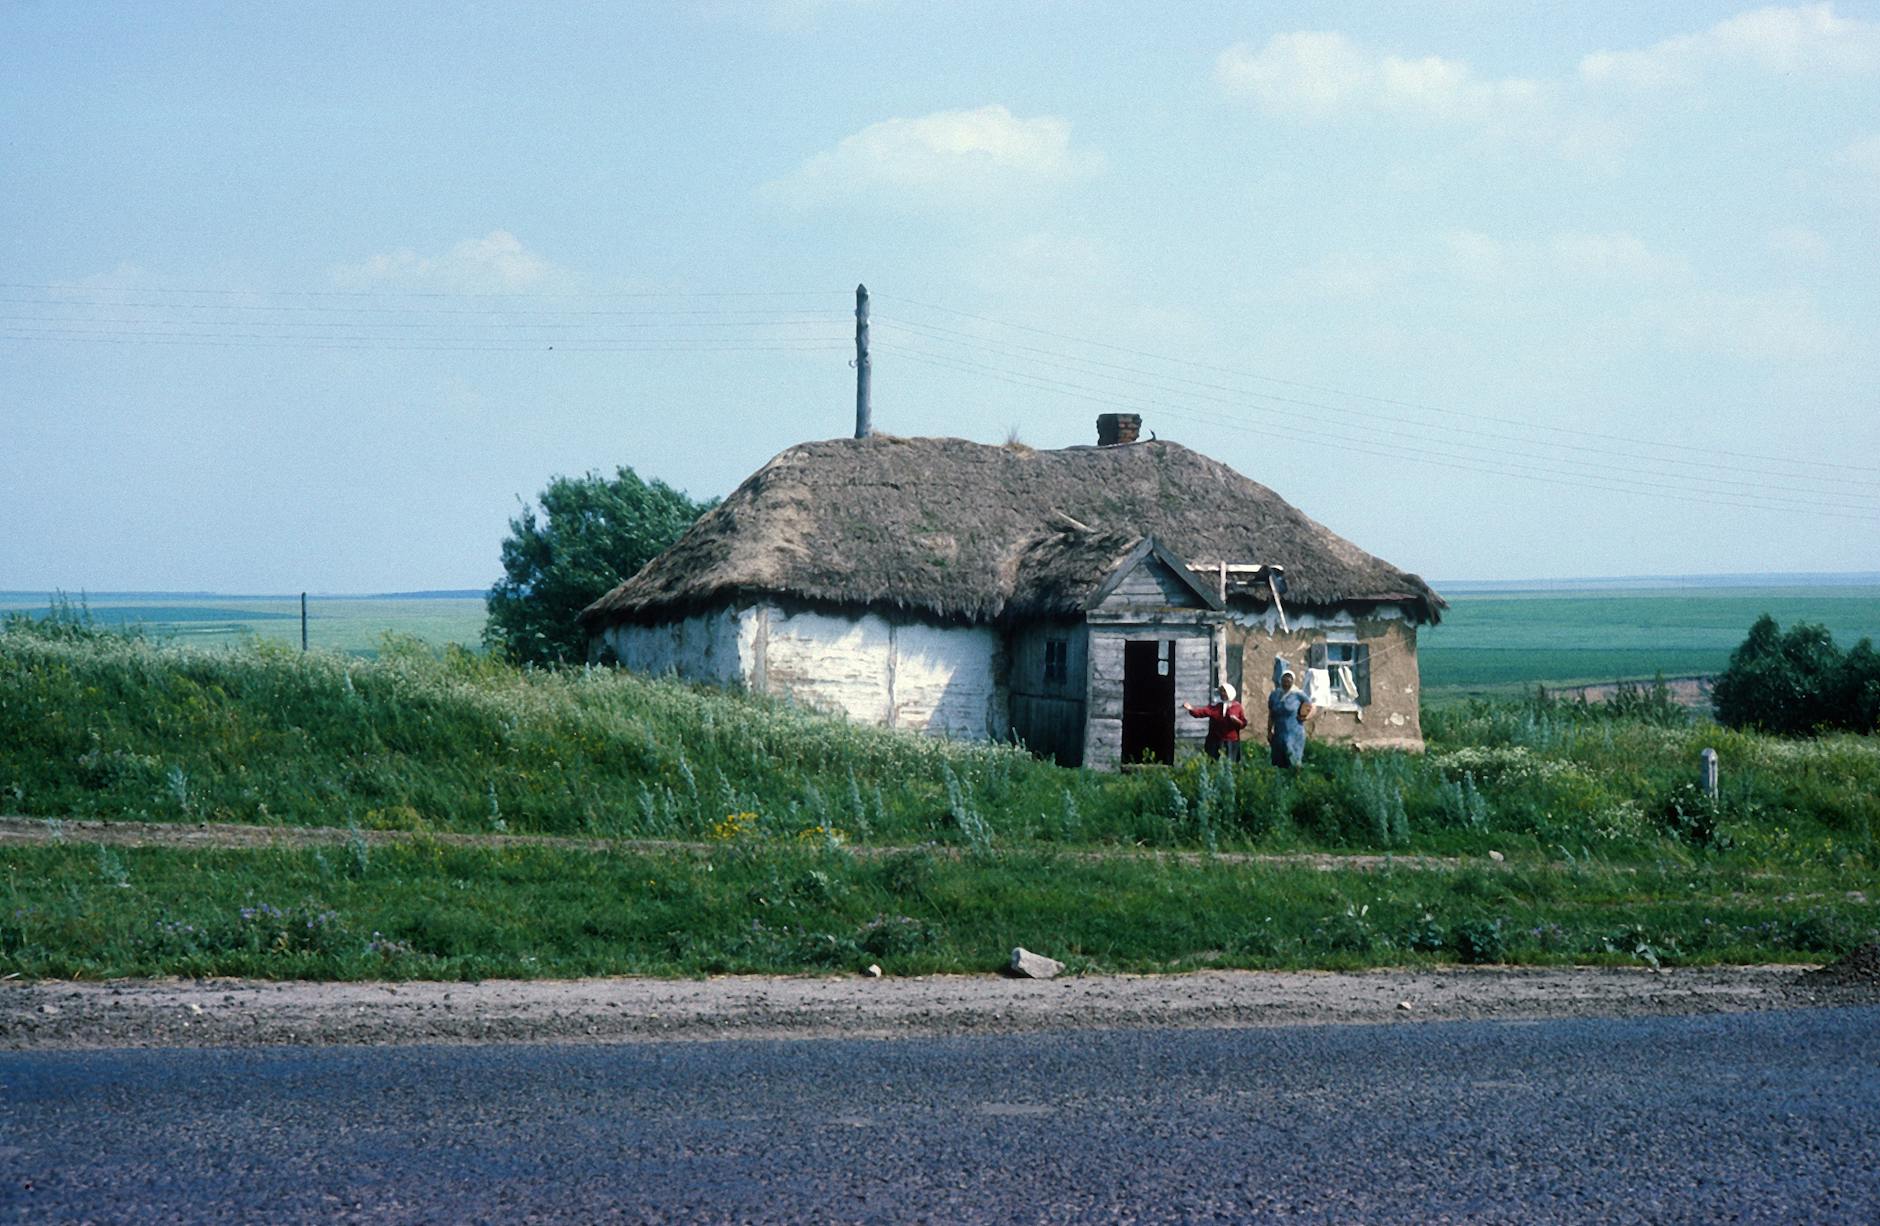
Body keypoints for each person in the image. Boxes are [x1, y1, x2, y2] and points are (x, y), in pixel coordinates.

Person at [1184, 683, 1247, 762]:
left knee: (1230, 764)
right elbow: (1202, 712)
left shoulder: (1237, 707)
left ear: (1230, 693)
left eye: (1224, 691)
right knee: (1213, 763)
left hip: (1231, 742)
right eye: (1221, 691)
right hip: (1215, 741)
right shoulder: (1216, 707)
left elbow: (1243, 723)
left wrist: (1237, 721)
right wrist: (1191, 709)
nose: (1222, 693)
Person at [1267, 669, 1314, 768]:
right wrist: (1269, 731)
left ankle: (1296, 781)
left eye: (1289, 680)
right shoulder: (1275, 695)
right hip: (1279, 733)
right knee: (1278, 762)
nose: (1286, 682)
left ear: (1293, 681)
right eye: (1284, 680)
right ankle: (1280, 783)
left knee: (1293, 761)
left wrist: (1305, 717)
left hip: (1294, 732)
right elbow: (1271, 714)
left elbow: (1311, 707)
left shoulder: (1298, 695)